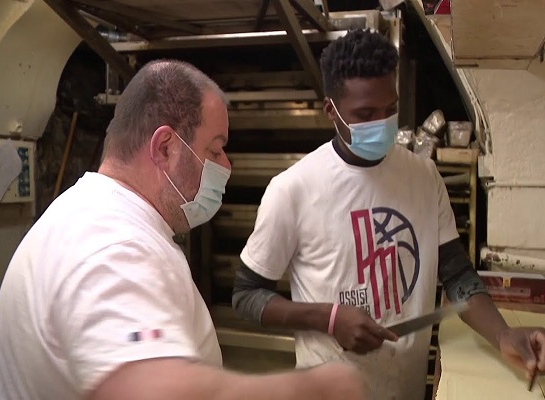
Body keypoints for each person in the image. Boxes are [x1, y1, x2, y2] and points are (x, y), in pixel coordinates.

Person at [0, 60, 368, 400]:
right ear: (165, 148)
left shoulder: (80, 213)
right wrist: (313, 389)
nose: (227, 166)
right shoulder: (115, 245)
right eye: (216, 149)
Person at [232, 28, 545, 400]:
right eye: (365, 114)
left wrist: (503, 333)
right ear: (331, 110)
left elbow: (457, 274)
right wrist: (328, 319)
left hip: (405, 387)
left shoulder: (423, 176)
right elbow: (247, 295)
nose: (382, 123)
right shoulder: (293, 189)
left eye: (390, 109)